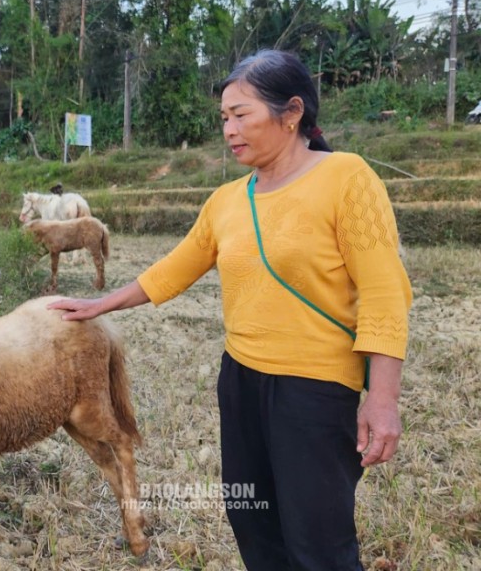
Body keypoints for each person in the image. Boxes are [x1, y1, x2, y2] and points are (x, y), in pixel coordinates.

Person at [48, 49, 412, 571]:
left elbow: (384, 292)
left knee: (317, 541)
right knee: (253, 523)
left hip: (314, 391)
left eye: (241, 114)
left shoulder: (346, 178)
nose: (229, 129)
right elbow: (174, 269)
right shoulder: (226, 200)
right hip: (239, 381)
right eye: (224, 117)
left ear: (291, 114)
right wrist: (100, 303)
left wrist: (383, 400)